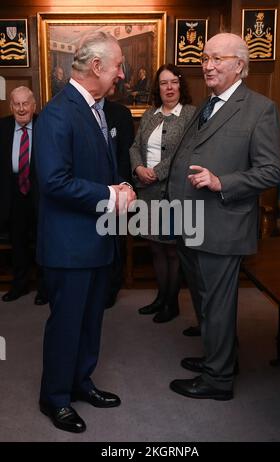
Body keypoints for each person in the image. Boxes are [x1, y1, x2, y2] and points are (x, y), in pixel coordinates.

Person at [167, 33, 280, 400]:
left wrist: (221, 182)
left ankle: (218, 380)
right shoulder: (207, 104)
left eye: (218, 58)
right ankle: (219, 357)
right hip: (190, 220)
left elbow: (270, 171)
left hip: (222, 222)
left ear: (240, 66)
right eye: (204, 58)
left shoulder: (260, 108)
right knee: (203, 298)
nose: (208, 65)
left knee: (217, 303)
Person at [34, 31, 136, 433]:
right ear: (97, 67)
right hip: (69, 247)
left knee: (91, 321)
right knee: (67, 324)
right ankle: (55, 398)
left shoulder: (97, 108)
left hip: (97, 241)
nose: (123, 75)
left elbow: (98, 169)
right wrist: (110, 194)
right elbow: (55, 182)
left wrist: (121, 186)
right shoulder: (59, 113)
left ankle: (81, 382)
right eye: (118, 67)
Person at [130, 64, 196, 323]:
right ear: (158, 88)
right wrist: (138, 168)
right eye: (163, 83)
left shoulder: (191, 114)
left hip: (173, 191)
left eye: (173, 82)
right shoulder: (149, 114)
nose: (168, 88)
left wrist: (156, 171)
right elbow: (135, 146)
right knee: (155, 248)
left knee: (171, 249)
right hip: (147, 191)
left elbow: (185, 152)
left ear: (181, 85)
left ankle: (172, 302)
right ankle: (160, 297)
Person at [0, 86, 48, 305]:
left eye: (25, 103)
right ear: (11, 106)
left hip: (40, 194)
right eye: (16, 104)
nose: (21, 109)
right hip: (13, 194)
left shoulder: (45, 126)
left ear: (34, 105)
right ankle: (19, 285)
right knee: (17, 242)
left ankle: (44, 288)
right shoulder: (2, 127)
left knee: (42, 242)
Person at [103, 98, 135, 307]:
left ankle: (111, 289)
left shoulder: (120, 112)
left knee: (115, 241)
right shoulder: (77, 111)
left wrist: (123, 186)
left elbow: (126, 153)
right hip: (87, 191)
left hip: (117, 190)